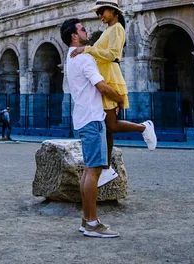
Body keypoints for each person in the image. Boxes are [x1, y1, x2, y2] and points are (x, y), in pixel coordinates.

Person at [70, 0, 157, 187]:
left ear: (114, 11)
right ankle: (107, 168)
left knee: (111, 126)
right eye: (98, 12)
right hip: (105, 76)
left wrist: (88, 49)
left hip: (111, 77)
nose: (100, 14)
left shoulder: (117, 29)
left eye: (103, 11)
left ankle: (144, 127)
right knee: (106, 128)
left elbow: (113, 54)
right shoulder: (109, 29)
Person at [61, 17, 127, 238]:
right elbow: (101, 86)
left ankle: (87, 219)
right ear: (74, 36)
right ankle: (91, 223)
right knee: (93, 171)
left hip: (83, 116)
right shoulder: (84, 59)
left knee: (90, 170)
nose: (86, 30)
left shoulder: (71, 57)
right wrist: (119, 99)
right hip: (92, 119)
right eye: (82, 29)